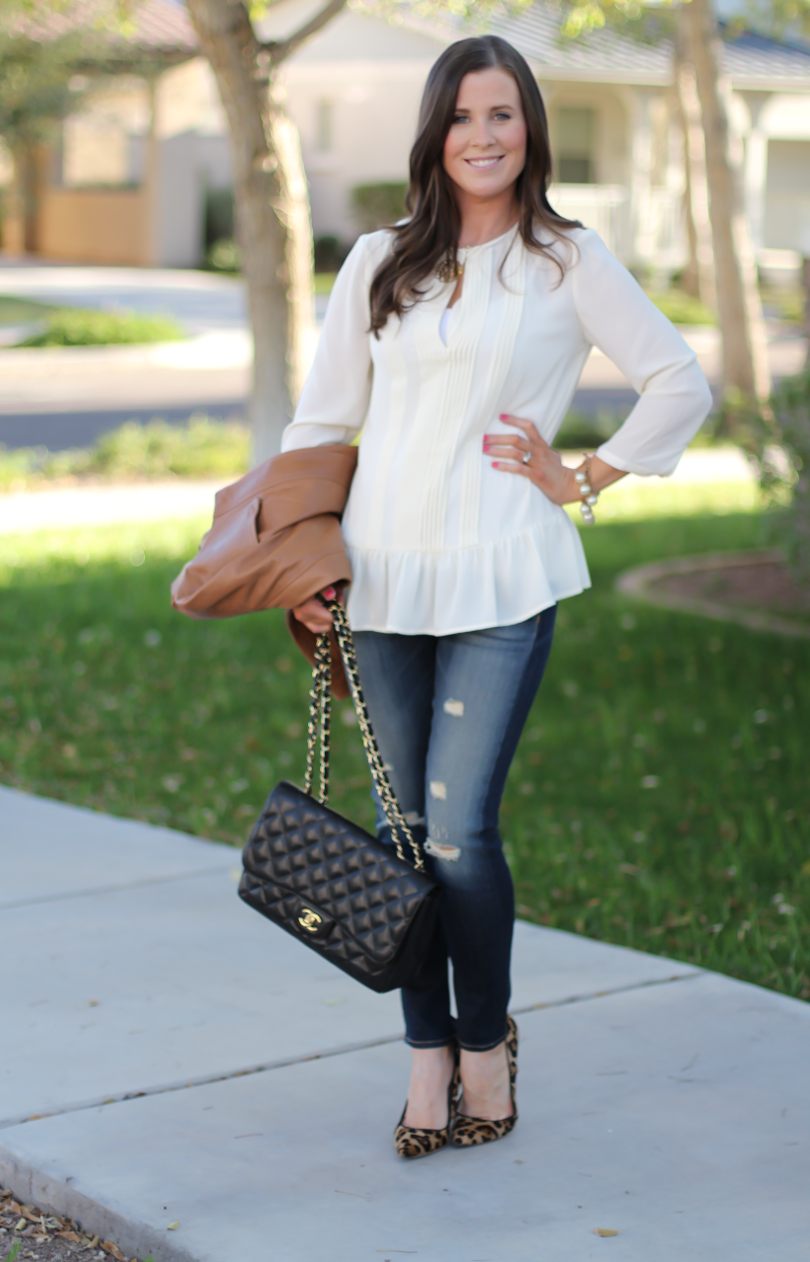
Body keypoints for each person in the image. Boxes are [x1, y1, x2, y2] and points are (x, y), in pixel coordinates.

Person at [283, 35, 712, 1157]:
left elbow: (680, 379)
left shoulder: (566, 259)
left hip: (503, 573)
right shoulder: (381, 259)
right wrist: (307, 560)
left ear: (532, 132)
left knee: (462, 834)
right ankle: (428, 1061)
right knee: (402, 833)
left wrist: (584, 476)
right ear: (435, 131)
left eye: (506, 115)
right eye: (466, 115)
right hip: (377, 579)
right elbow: (322, 422)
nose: (485, 135)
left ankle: (486, 1047)